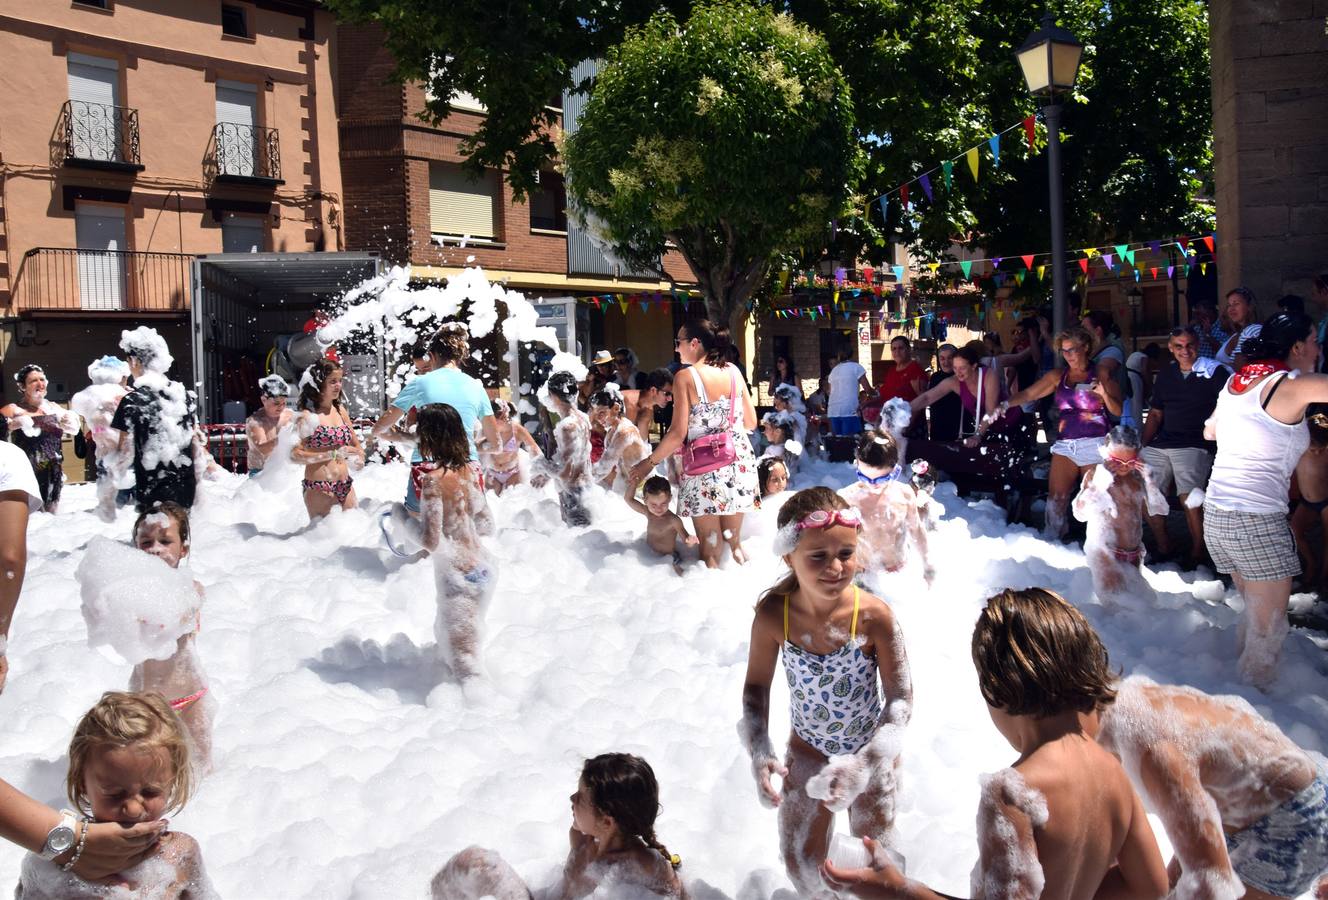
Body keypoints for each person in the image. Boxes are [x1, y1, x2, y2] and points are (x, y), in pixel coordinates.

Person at [823, 588, 1167, 900]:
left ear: (997, 690)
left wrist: (897, 890)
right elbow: (1151, 886)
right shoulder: (1112, 771)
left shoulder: (1013, 794)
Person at [740, 487, 911, 895]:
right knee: (800, 860)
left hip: (868, 755)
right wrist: (760, 747)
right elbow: (756, 686)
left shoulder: (874, 617)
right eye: (818, 556)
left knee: (878, 864)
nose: (835, 567)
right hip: (808, 751)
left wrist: (869, 759)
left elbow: (901, 698)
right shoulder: (773, 615)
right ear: (789, 557)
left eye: (846, 554)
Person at [1094, 675, 1328, 900]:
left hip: (1294, 822)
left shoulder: (1153, 750)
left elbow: (1211, 881)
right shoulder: (1121, 704)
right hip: (1242, 805)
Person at [1203, 311, 1328, 688]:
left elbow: (1210, 431)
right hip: (1256, 522)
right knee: (1269, 632)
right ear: (1297, 347)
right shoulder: (1290, 385)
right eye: (1313, 340)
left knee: (1255, 620)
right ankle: (1253, 715)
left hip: (1218, 515)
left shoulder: (1237, 384)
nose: (1318, 347)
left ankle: (1234, 693)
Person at [15, 691, 213, 899]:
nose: (134, 809)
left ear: (172, 782)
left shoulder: (180, 853)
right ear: (82, 784)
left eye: (150, 791)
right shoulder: (56, 863)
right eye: (115, 794)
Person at [433, 753, 685, 899]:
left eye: (580, 798)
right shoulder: (584, 838)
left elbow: (679, 895)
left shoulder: (644, 865)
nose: (571, 800)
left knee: (477, 863)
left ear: (607, 821)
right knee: (472, 863)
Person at [629, 320, 758, 567]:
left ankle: (708, 602)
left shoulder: (685, 377)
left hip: (705, 468)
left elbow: (678, 433)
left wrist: (649, 462)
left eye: (679, 343)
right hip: (739, 462)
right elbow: (751, 422)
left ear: (694, 343)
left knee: (710, 548)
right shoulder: (733, 371)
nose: (677, 349)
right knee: (734, 544)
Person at [383, 404, 495, 684]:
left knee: (465, 667)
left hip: (457, 576)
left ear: (428, 438)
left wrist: (400, 517)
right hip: (483, 568)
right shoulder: (470, 471)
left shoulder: (433, 481)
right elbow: (486, 524)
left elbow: (430, 542)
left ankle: (482, 717)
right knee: (463, 652)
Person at [1003, 327, 1123, 539]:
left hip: (1095, 443)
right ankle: (1054, 544)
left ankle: (1101, 546)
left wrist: (1104, 394)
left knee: (1095, 499)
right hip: (1066, 444)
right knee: (1056, 499)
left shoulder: (1101, 373)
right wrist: (1003, 405)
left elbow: (1118, 410)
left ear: (1085, 348)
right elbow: (1030, 393)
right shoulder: (1059, 376)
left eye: (1072, 350)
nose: (1067, 355)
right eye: (1064, 351)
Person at [372, 323, 498, 515]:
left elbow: (379, 429)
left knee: (422, 534)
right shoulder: (476, 386)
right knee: (469, 535)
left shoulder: (420, 382)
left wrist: (411, 438)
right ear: (459, 357)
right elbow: (496, 444)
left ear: (431, 356)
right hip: (467, 467)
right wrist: (469, 444)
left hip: (427, 468)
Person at [127, 503, 212, 773]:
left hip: (191, 695)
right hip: (146, 699)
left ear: (183, 549)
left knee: (202, 764)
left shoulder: (192, 588)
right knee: (150, 769)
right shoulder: (131, 592)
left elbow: (176, 619)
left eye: (165, 541)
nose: (156, 548)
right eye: (146, 542)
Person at [1140, 326, 1229, 569]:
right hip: (1163, 442)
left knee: (1189, 495)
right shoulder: (1167, 375)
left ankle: (1199, 550)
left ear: (1197, 345)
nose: (1184, 350)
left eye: (1189, 345)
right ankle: (1164, 545)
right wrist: (1143, 445)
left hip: (1196, 443)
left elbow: (1230, 407)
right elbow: (1156, 414)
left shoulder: (1214, 372)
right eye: (1178, 346)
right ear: (1170, 348)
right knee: (1145, 489)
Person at [1071, 426, 1168, 604]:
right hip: (1105, 551)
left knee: (1137, 605)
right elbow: (1080, 513)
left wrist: (1152, 482)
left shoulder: (1139, 477)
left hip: (1134, 552)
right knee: (1115, 607)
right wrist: (1098, 485)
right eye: (1117, 461)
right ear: (1106, 455)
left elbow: (1161, 510)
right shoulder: (1096, 475)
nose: (1123, 467)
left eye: (1130, 462)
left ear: (1138, 455)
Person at [112, 329, 204, 515]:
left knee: (154, 538)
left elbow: (123, 451)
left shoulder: (131, 401)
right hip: (185, 485)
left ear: (134, 361)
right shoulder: (183, 396)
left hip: (151, 485)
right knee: (181, 537)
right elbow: (195, 444)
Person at [839, 430, 930, 581]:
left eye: (882, 478)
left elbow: (917, 531)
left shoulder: (905, 494)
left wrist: (928, 564)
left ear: (895, 470)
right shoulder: (846, 499)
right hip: (863, 574)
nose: (872, 484)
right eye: (864, 477)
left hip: (898, 571)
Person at [2, 364, 81, 513]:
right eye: (33, 381)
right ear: (22, 386)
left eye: (42, 379)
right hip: (27, 472)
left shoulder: (53, 407)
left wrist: (70, 422)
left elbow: (75, 429)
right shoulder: (13, 409)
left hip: (54, 470)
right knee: (32, 517)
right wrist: (12, 425)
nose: (40, 384)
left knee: (49, 520)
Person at [291, 359, 364, 519]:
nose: (338, 385)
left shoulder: (340, 410)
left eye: (340, 381)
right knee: (323, 542)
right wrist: (330, 455)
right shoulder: (307, 416)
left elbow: (356, 445)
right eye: (332, 382)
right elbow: (295, 455)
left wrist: (358, 457)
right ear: (318, 384)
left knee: (354, 535)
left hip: (346, 484)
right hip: (319, 487)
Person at [69, 356, 133, 521]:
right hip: (124, 458)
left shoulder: (93, 398)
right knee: (129, 512)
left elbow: (96, 422)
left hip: (110, 458)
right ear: (122, 376)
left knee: (113, 513)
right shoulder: (128, 397)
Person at [538, 371, 593, 527]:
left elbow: (565, 473)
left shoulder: (566, 426)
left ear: (553, 395)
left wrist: (541, 466)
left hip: (574, 492)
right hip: (586, 487)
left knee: (578, 542)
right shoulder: (582, 418)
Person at [627, 475, 698, 573]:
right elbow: (629, 499)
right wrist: (633, 484)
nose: (658, 509)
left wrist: (690, 541)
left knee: (678, 578)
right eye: (653, 505)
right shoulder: (648, 512)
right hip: (649, 555)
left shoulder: (673, 520)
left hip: (670, 559)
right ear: (645, 501)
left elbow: (685, 540)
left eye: (663, 503)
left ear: (669, 498)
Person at [1291, 413, 1328, 598]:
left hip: (1326, 501)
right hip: (1306, 501)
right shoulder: (1298, 447)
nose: (1317, 451)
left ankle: (1324, 577)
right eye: (1313, 448)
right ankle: (1312, 564)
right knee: (1294, 530)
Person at [590, 386, 649, 496]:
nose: (598, 418)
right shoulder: (611, 432)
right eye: (596, 413)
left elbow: (605, 465)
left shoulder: (625, 431)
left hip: (645, 487)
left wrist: (582, 484)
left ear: (616, 409)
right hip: (628, 483)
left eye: (602, 412)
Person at [482, 399, 541, 495]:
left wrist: (540, 471)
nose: (490, 423)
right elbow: (474, 449)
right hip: (492, 473)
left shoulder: (517, 430)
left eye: (492, 420)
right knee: (492, 505)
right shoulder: (486, 429)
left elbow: (534, 449)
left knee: (512, 505)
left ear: (503, 416)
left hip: (513, 473)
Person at [243, 375, 292, 477]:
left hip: (283, 470)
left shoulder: (289, 415)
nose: (281, 406)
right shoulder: (255, 422)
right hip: (260, 472)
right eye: (276, 403)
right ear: (264, 400)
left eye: (284, 403)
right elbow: (263, 449)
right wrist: (283, 438)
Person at [1082, 310, 1127, 412]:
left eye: (1084, 328)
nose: (1081, 332)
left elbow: (1100, 377)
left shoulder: (1113, 351)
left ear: (1098, 330)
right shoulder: (1092, 353)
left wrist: (1074, 388)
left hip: (1109, 413)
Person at [923, 344, 964, 441]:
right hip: (938, 426)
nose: (946, 362)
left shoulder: (963, 376)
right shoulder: (935, 377)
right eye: (942, 358)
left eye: (950, 358)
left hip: (958, 428)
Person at [621, 368, 674, 441]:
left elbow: (643, 442)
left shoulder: (648, 410)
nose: (670, 399)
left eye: (671, 394)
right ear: (653, 390)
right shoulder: (626, 401)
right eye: (667, 394)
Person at [826, 352, 872, 436]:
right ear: (852, 354)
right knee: (849, 442)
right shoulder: (856, 367)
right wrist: (877, 393)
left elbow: (829, 392)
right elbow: (868, 389)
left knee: (837, 442)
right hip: (848, 409)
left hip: (833, 410)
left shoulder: (833, 372)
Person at [1215, 286, 1261, 368]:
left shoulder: (1253, 330)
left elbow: (1240, 367)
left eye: (1236, 304)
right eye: (1229, 305)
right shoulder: (1236, 334)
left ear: (1249, 307)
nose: (1231, 309)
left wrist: (1215, 367)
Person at [876, 337, 926, 408]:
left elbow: (922, 400)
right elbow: (885, 396)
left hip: (908, 418)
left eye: (901, 348)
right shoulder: (891, 371)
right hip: (890, 418)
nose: (897, 352)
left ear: (909, 349)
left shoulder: (915, 369)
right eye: (894, 349)